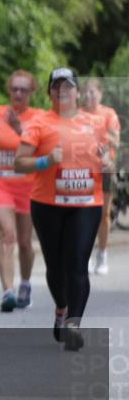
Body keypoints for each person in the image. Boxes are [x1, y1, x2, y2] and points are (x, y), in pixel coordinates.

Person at [15, 68, 111, 352]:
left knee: (78, 264)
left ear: (77, 93)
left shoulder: (95, 124)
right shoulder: (38, 123)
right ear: (49, 93)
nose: (62, 92)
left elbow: (107, 160)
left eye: (68, 87)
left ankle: (73, 324)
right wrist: (45, 161)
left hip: (86, 203)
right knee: (56, 267)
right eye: (56, 87)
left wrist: (107, 165)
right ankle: (61, 308)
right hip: (47, 205)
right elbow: (19, 163)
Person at [0, 71, 42, 311]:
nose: (18, 93)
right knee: (8, 235)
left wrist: (19, 129)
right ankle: (8, 291)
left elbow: (42, 148)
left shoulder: (39, 117)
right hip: (1, 184)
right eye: (14, 88)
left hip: (29, 188)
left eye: (23, 90)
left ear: (31, 92)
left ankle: (25, 283)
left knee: (25, 243)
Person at [80, 77, 121, 275]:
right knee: (83, 214)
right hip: (82, 169)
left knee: (103, 214)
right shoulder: (77, 114)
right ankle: (85, 254)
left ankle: (102, 254)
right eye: (86, 92)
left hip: (104, 168)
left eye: (92, 92)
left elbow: (116, 141)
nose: (89, 96)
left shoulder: (108, 114)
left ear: (100, 95)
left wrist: (99, 131)